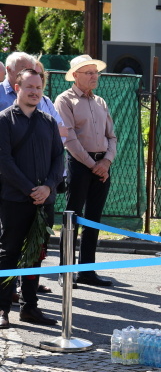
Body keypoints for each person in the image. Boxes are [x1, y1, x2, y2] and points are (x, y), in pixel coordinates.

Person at [0, 68, 64, 329]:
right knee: (9, 254)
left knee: (36, 255)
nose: (35, 92)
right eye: (30, 87)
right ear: (17, 88)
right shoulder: (4, 120)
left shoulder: (48, 121)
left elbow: (59, 158)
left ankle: (30, 308)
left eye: (39, 88)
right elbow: (4, 161)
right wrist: (30, 189)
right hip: (14, 200)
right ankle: (2, 309)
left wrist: (48, 187)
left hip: (44, 202)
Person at [54, 54, 117, 287]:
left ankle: (87, 270)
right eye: (88, 72)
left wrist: (106, 162)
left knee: (94, 219)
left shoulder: (100, 102)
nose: (94, 76)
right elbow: (69, 139)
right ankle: (66, 271)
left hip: (102, 166)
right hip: (80, 165)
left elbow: (112, 136)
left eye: (95, 72)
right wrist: (94, 166)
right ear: (75, 76)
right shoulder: (64, 100)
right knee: (72, 216)